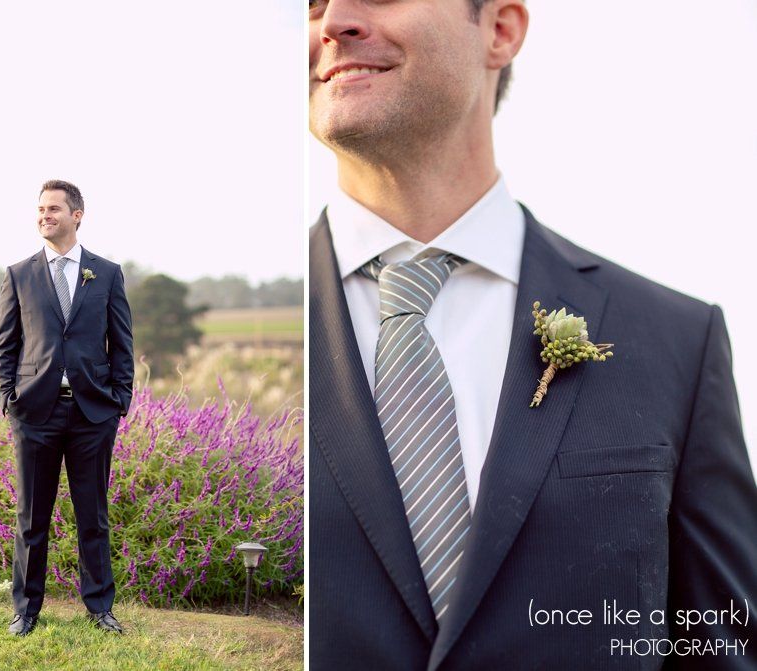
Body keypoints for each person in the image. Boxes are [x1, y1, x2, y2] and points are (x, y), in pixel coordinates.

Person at [308, 1, 757, 669]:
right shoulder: (276, 324)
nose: (333, 19)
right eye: (308, 3)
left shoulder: (676, 339)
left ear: (500, 29)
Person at [0, 180, 134, 636]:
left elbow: (122, 344)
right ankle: (26, 610)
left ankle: (99, 607)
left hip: (93, 414)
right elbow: (6, 346)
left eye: (54, 208)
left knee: (92, 516)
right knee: (31, 518)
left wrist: (120, 402)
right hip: (34, 413)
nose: (44, 215)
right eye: (40, 209)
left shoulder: (107, 273)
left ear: (78, 215)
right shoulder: (18, 274)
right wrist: (7, 399)